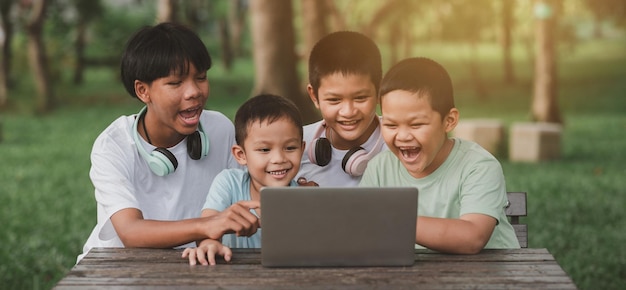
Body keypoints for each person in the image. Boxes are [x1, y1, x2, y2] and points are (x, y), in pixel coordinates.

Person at [76, 23, 258, 263]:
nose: (194, 91)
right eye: (176, 83)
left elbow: (248, 194)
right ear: (143, 91)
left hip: (190, 264)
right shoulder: (114, 145)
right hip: (117, 269)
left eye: (201, 78)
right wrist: (207, 225)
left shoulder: (220, 129)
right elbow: (131, 232)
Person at [360, 57, 520, 254]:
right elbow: (364, 229)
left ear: (449, 121)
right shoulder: (379, 169)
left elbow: (473, 237)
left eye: (416, 124)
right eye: (391, 125)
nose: (402, 136)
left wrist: (394, 219)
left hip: (489, 276)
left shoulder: (478, 166)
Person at [182, 94, 305, 265]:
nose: (278, 159)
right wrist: (210, 244)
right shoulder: (229, 183)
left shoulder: (306, 199)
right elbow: (209, 223)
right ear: (241, 155)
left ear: (302, 148)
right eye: (264, 149)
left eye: (290, 148)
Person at [297, 31, 386, 187]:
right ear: (314, 97)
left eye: (360, 98)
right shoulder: (293, 147)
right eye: (334, 100)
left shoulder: (402, 145)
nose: (348, 111)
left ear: (379, 91)